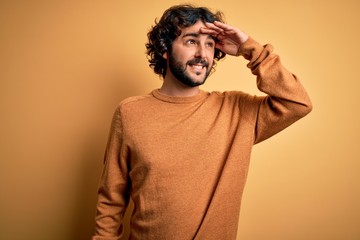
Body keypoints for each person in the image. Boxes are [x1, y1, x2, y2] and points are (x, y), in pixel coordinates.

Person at [92, 4, 312, 240]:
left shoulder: (237, 111)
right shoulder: (129, 113)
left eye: (209, 43)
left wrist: (252, 50)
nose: (202, 53)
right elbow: (110, 202)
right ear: (165, 49)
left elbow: (298, 102)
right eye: (191, 41)